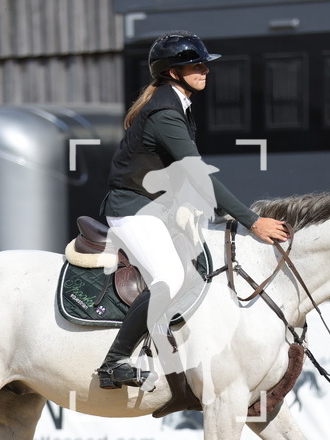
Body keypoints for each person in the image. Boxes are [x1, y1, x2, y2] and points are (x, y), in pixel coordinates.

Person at [95, 30, 289, 391]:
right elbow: (198, 174)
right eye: (195, 64)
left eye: (204, 63)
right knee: (170, 277)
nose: (205, 69)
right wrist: (251, 220)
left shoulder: (177, 103)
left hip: (155, 207)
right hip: (132, 209)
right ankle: (114, 362)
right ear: (173, 72)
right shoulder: (165, 113)